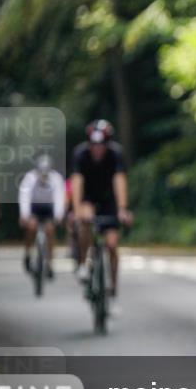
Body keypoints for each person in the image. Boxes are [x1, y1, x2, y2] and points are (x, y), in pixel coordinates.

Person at [70, 120, 132, 297]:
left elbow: (119, 181)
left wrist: (122, 208)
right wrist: (76, 210)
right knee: (85, 219)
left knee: (112, 244)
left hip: (108, 200)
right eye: (94, 145)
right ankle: (82, 263)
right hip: (88, 198)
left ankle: (112, 287)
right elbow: (77, 182)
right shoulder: (80, 154)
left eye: (102, 145)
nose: (98, 149)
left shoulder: (115, 154)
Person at [18, 154, 66, 277]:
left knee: (50, 230)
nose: (43, 176)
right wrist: (25, 215)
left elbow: (59, 197)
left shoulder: (56, 178)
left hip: (49, 208)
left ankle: (49, 263)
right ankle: (28, 252)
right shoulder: (30, 178)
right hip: (34, 207)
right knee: (31, 227)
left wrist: (58, 215)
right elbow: (24, 196)